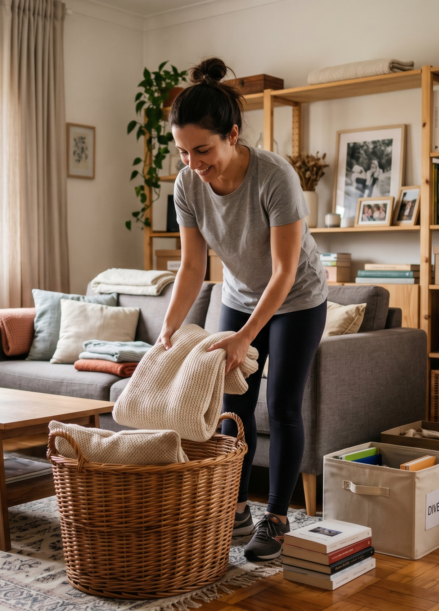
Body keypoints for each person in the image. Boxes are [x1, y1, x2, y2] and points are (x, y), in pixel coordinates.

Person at [159, 57, 328, 562]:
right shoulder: (187, 184)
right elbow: (192, 268)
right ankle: (235, 509)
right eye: (183, 152)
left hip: (297, 296)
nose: (193, 163)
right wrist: (169, 329)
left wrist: (244, 337)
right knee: (231, 408)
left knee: (280, 406)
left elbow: (283, 272)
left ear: (232, 135)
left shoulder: (275, 176)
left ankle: (276, 517)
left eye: (203, 150)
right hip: (236, 294)